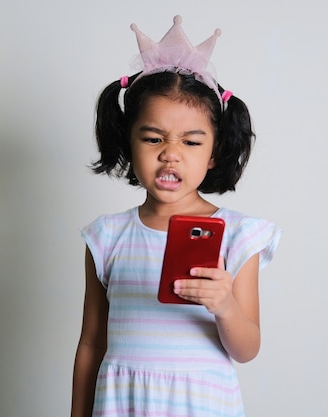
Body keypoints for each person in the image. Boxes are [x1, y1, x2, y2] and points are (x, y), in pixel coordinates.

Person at [71, 16, 281, 417]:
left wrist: (225, 306)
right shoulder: (106, 236)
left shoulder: (239, 235)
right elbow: (91, 343)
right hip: (123, 404)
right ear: (128, 142)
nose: (170, 153)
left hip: (201, 405)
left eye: (191, 141)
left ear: (214, 152)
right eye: (153, 138)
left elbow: (247, 349)